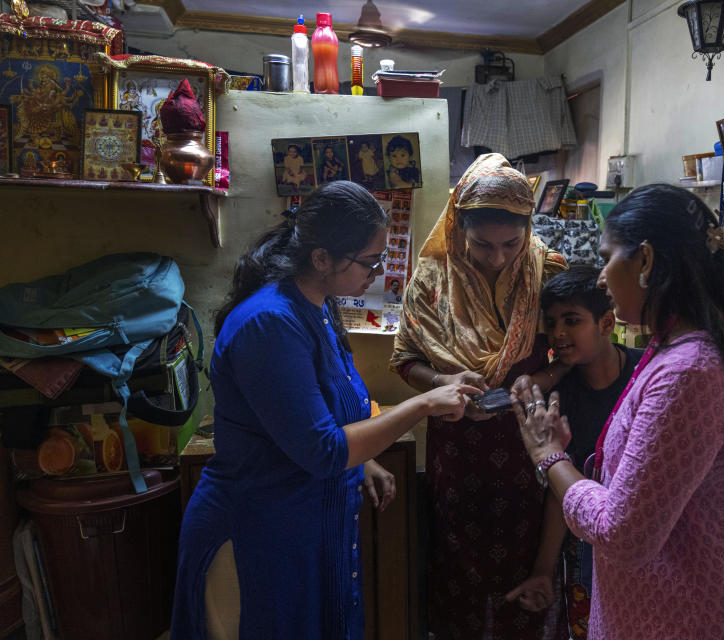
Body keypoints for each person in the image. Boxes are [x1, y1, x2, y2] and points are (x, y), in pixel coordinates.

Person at [170, 181, 479, 640]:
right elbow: (322, 449)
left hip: (305, 529)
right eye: (369, 261)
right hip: (260, 535)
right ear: (320, 259)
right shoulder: (269, 324)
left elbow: (321, 417)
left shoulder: (317, 308)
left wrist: (364, 461)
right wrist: (423, 404)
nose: (376, 272)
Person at [512, 184, 724, 640]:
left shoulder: (690, 370)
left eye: (607, 257)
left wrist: (549, 456)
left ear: (646, 261)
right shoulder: (674, 349)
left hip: (699, 617)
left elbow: (624, 533)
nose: (601, 278)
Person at [390, 153, 568, 639]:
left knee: (528, 566)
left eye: (511, 243)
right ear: (457, 228)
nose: (497, 258)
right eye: (481, 245)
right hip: (457, 448)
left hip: (529, 447)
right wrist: (441, 383)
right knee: (457, 566)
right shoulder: (429, 282)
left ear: (528, 231)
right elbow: (405, 358)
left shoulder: (546, 273)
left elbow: (571, 353)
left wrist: (537, 384)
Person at [506, 266, 642, 639]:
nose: (559, 333)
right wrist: (543, 571)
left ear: (606, 322)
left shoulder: (647, 374)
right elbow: (562, 490)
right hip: (585, 551)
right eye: (551, 323)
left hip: (645, 542)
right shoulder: (560, 399)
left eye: (571, 320)